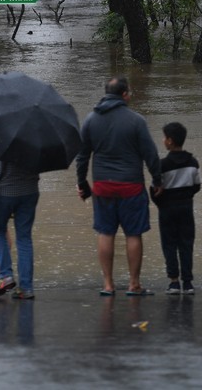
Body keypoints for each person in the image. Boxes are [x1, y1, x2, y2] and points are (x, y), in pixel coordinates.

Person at [75, 75, 162, 296]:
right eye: (130, 92)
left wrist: (82, 183)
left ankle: (108, 284)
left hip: (103, 187)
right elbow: (150, 154)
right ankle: (134, 285)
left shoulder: (91, 120)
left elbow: (82, 156)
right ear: (124, 95)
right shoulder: (136, 121)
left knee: (105, 233)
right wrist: (157, 180)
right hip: (131, 186)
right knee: (133, 235)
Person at [152, 122, 201, 295]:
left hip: (167, 209)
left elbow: (155, 190)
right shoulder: (193, 162)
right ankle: (187, 283)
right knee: (187, 244)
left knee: (169, 244)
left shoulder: (162, 165)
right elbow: (197, 186)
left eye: (165, 137)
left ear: (170, 141)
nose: (163, 140)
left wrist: (161, 203)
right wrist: (186, 196)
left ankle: (173, 281)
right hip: (186, 207)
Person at [0, 150, 41, 300]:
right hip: (30, 191)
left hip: (5, 191)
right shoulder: (37, 137)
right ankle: (26, 288)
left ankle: (5, 276)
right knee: (24, 238)